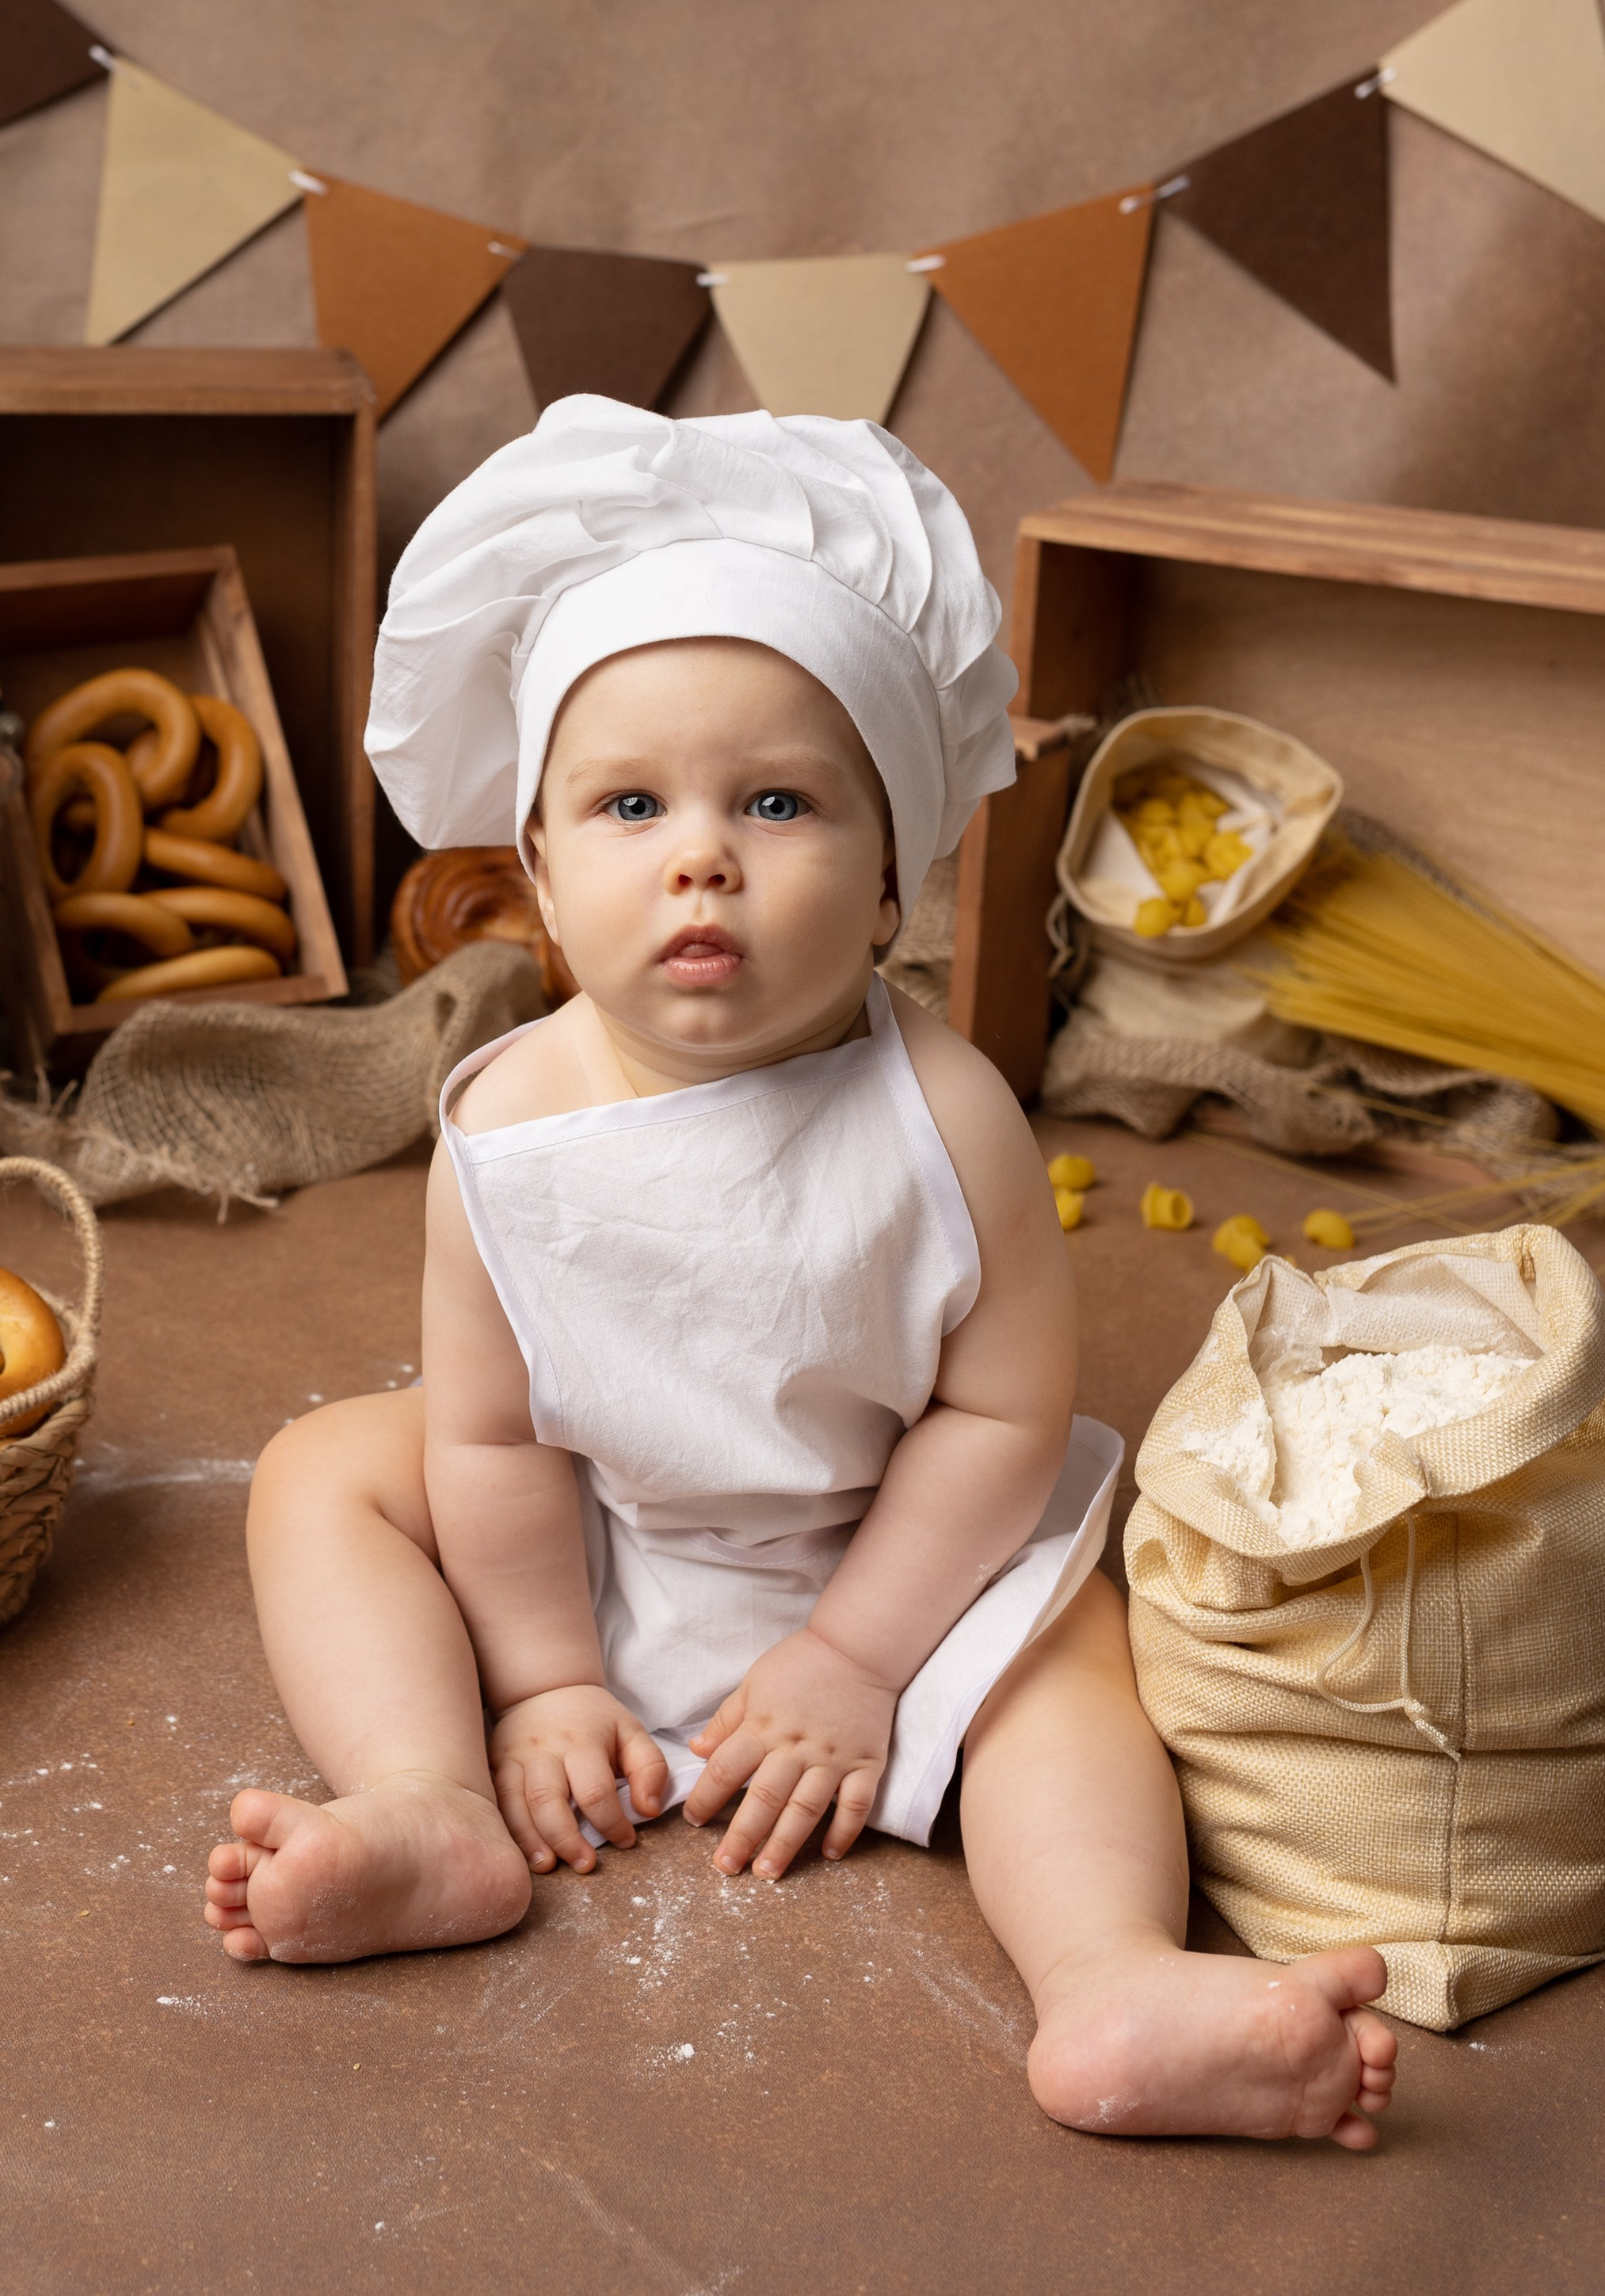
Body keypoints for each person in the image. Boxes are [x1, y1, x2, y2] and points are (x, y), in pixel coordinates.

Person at [202, 401, 1397, 2146]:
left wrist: (854, 1652)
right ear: (532, 869)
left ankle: (1107, 1978)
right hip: (603, 1535)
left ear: (894, 881)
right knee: (327, 1472)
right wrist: (541, 1679)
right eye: (627, 805)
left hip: (900, 1554)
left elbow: (1001, 1410)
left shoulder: (945, 1115)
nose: (700, 854)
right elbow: (493, 1438)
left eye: (776, 801)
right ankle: (431, 1802)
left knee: (1068, 1664)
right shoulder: (502, 1129)